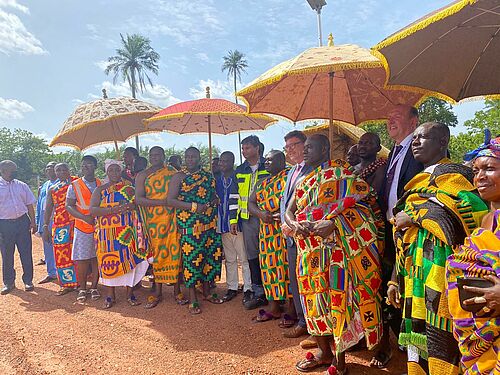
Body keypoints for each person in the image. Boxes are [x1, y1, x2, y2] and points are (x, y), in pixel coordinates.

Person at [387, 122, 489, 375]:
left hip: (444, 270)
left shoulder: (458, 176)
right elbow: (403, 233)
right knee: (419, 336)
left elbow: (471, 213)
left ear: (443, 141)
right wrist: (393, 280)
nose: (416, 142)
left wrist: (415, 216)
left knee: (443, 333)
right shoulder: (416, 182)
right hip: (415, 272)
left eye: (424, 137)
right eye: (415, 138)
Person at [285, 134, 382, 375]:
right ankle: (323, 352)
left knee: (336, 302)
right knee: (312, 301)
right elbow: (290, 210)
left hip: (336, 252)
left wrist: (335, 223)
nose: (305, 152)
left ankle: (339, 359)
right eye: (303, 148)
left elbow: (365, 207)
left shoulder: (344, 174)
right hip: (308, 250)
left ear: (325, 148)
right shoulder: (303, 180)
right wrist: (294, 224)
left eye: (310, 148)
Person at [371, 104, 424, 369]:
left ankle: (417, 356)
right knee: (390, 288)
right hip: (390, 231)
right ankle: (401, 343)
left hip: (414, 232)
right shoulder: (393, 152)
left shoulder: (422, 150)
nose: (390, 120)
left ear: (413, 122)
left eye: (397, 117)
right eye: (388, 116)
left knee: (412, 293)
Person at [446, 134, 500, 375]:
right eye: (476, 170)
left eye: (489, 169)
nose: (479, 177)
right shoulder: (485, 220)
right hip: (476, 333)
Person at [167, 147, 223, 314]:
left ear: (200, 158)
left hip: (210, 223)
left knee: (209, 258)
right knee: (192, 261)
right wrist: (193, 207)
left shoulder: (207, 176)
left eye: (194, 157)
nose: (190, 159)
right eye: (188, 156)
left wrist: (214, 199)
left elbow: (212, 195)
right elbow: (170, 200)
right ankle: (193, 298)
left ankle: (206, 292)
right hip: (190, 225)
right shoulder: (179, 177)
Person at [90, 160, 149, 309]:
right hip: (107, 234)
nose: (114, 173)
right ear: (106, 172)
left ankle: (130, 294)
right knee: (109, 263)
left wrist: (131, 206)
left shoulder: (129, 187)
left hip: (126, 232)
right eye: (111, 170)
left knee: (130, 260)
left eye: (117, 170)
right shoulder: (100, 190)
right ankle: (111, 295)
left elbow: (137, 204)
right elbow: (93, 210)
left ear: (121, 171)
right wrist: (114, 210)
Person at [136, 146, 182, 308]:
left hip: (173, 219)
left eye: (157, 154)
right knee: (156, 256)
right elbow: (139, 199)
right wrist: (162, 202)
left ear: (163, 156)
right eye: (151, 155)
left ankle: (177, 291)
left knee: (176, 253)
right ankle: (157, 292)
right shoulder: (143, 175)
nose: (154, 157)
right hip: (153, 222)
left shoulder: (173, 172)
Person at [249, 150, 292, 323]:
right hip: (266, 232)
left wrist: (283, 214)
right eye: (265, 160)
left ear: (282, 161)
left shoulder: (290, 177)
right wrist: (261, 214)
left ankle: (292, 309)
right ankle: (273, 307)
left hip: (285, 230)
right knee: (269, 268)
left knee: (287, 267)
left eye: (270, 160)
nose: (266, 163)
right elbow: (250, 203)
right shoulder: (261, 183)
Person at [280, 130, 313, 341]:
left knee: (310, 281)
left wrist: (296, 224)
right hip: (290, 235)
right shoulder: (292, 170)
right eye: (287, 147)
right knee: (296, 280)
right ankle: (303, 321)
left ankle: (314, 326)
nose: (290, 150)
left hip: (307, 235)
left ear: (305, 145)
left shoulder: (314, 170)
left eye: (294, 145)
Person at [233, 135, 270, 309]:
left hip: (268, 218)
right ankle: (258, 291)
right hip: (247, 219)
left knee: (270, 254)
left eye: (247, 147)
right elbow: (235, 197)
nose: (244, 151)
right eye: (243, 148)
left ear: (257, 148)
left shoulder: (269, 166)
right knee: (252, 255)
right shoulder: (240, 170)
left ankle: (275, 292)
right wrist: (234, 219)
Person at [215, 151, 251, 302]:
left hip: (237, 223)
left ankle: (248, 288)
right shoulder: (216, 180)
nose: (222, 164)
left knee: (243, 257)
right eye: (221, 161)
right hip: (222, 224)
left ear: (232, 162)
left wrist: (235, 220)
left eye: (226, 161)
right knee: (229, 258)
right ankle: (232, 287)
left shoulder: (238, 177)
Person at [66, 155, 102, 303]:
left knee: (96, 257)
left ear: (95, 167)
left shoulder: (101, 183)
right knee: (82, 259)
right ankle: (82, 288)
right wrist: (83, 217)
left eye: (88, 164)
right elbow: (69, 205)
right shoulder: (74, 185)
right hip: (82, 226)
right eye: (83, 165)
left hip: (100, 226)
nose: (85, 167)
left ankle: (94, 287)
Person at [0, 160, 36, 295]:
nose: (16, 172)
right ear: (3, 170)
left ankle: (28, 280)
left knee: (26, 252)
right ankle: (9, 282)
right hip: (4, 225)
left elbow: (29, 205)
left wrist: (33, 222)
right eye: (13, 170)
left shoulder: (22, 185)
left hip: (22, 222)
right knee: (7, 254)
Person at [43, 163, 78, 295]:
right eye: (58, 170)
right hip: (60, 224)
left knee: (79, 253)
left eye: (64, 169)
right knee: (61, 254)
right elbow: (48, 208)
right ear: (55, 172)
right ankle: (67, 283)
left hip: (77, 221)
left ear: (69, 170)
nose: (62, 172)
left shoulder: (77, 183)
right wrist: (45, 225)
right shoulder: (52, 188)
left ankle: (83, 283)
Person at [35, 162, 58, 284]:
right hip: (45, 220)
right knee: (47, 247)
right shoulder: (44, 186)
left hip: (59, 220)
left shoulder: (62, 184)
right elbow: (39, 205)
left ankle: (65, 273)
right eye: (47, 167)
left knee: (62, 247)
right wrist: (38, 221)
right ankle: (51, 273)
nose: (50, 169)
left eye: (52, 167)